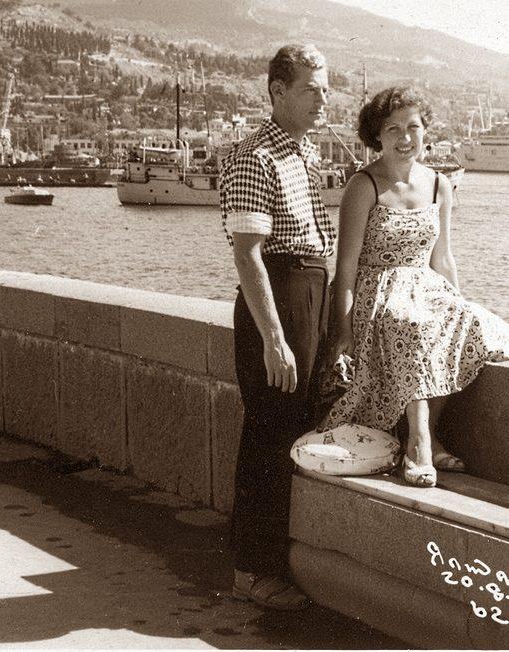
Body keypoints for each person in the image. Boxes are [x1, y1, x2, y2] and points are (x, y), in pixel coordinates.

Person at [320, 86, 509, 488]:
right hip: (376, 294)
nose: (405, 137)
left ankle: (426, 431)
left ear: (425, 131)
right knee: (410, 324)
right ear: (376, 136)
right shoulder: (363, 185)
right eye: (393, 129)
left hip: (425, 288)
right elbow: (345, 268)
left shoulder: (438, 185)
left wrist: (459, 303)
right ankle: (418, 445)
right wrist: (342, 330)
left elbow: (442, 257)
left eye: (413, 127)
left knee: (467, 325)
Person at [218, 43, 333, 611]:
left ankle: (277, 562)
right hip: (279, 299)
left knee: (295, 429)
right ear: (278, 91)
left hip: (309, 291)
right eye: (311, 89)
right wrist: (274, 338)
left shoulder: (303, 152)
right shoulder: (256, 156)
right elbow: (248, 254)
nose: (322, 100)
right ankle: (251, 572)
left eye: (326, 89)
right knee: (268, 434)